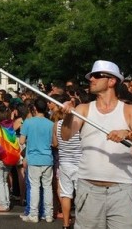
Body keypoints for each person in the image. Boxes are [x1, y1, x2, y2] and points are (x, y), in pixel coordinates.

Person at [61, 60, 132, 229]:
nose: (91, 79)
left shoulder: (130, 110)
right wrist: (68, 115)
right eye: (91, 76)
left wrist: (128, 133)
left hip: (121, 190)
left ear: (112, 81)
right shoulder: (83, 109)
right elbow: (66, 135)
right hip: (88, 189)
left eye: (96, 75)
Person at [19, 97, 55, 223]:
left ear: (34, 108)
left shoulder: (28, 122)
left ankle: (33, 214)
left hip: (33, 158)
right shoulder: (51, 124)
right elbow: (54, 142)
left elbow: (21, 141)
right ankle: (48, 214)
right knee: (47, 186)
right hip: (47, 158)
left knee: (34, 186)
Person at [52, 96, 82, 229]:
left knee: (65, 194)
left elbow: (55, 143)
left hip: (64, 162)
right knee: (80, 195)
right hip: (81, 162)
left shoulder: (57, 125)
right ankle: (80, 223)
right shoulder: (81, 124)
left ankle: (65, 224)